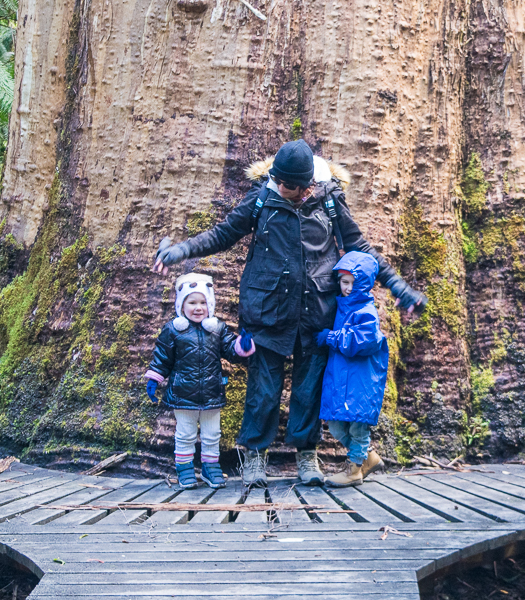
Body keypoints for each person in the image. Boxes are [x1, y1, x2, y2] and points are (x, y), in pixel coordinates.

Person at [153, 139, 426, 488]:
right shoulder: (262, 198)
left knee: (308, 389)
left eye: (289, 187)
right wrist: (181, 250)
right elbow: (223, 234)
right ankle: (253, 456)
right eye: (278, 182)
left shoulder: (329, 201)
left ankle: (306, 455)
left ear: (307, 184)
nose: (282, 189)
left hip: (317, 311)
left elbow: (361, 248)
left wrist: (399, 288)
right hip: (267, 310)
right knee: (262, 390)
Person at [144, 273, 255, 489]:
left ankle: (210, 467)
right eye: (192, 302)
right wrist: (154, 378)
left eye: (203, 302)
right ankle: (184, 468)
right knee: (185, 433)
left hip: (212, 392)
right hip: (182, 393)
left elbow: (231, 350)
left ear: (210, 304)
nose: (198, 308)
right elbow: (162, 357)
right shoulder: (173, 330)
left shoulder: (217, 329)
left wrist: (243, 345)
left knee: (212, 433)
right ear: (181, 305)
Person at [315, 251, 389, 487]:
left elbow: (365, 341)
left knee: (357, 425)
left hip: (361, 381)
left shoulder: (365, 310)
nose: (347, 287)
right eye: (343, 282)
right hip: (343, 378)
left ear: (364, 283)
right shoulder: (343, 306)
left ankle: (354, 468)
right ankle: (368, 457)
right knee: (336, 426)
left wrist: (332, 337)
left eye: (353, 283)